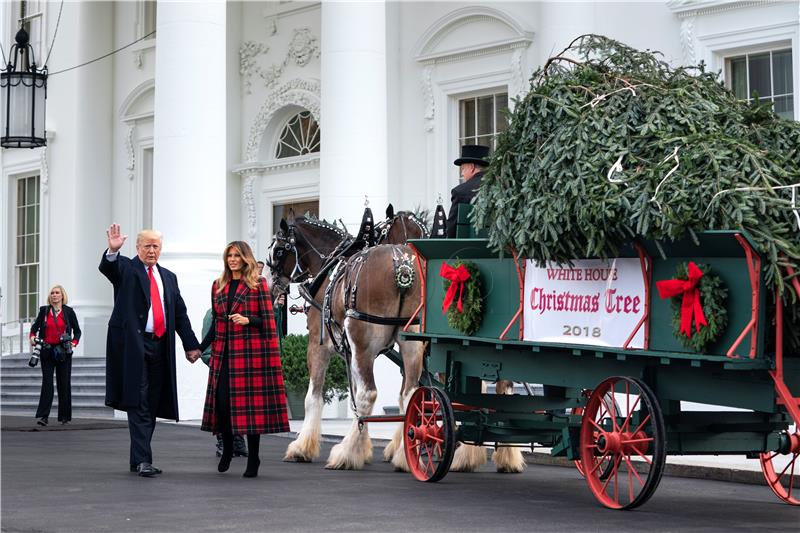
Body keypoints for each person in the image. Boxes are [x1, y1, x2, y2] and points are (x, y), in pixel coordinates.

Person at [99, 224, 201, 477]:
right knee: (139, 400)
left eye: (156, 246)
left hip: (160, 344)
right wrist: (112, 251)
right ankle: (144, 460)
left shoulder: (168, 276)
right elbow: (109, 268)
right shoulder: (126, 268)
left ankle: (138, 458)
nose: (152, 250)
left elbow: (179, 313)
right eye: (147, 246)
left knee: (152, 401)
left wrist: (191, 345)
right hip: (134, 345)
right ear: (138, 247)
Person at [193, 240, 289, 478]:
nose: (233, 259)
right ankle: (227, 448)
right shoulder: (218, 286)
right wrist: (198, 348)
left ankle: (254, 457)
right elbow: (216, 324)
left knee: (250, 410)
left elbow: (268, 322)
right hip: (224, 355)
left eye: (237, 255)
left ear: (245, 258)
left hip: (249, 356)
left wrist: (248, 320)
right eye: (229, 256)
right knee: (223, 406)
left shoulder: (258, 285)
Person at [200, 307, 248, 459]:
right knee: (223, 406)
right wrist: (214, 362)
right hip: (222, 366)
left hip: (239, 367)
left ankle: (238, 440)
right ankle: (223, 441)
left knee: (240, 405)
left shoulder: (243, 313)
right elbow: (207, 347)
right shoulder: (212, 313)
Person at [29, 285, 82, 426]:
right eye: (52, 293)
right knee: (47, 383)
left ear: (62, 295)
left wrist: (74, 343)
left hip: (63, 352)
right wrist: (33, 337)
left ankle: (64, 417)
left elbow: (77, 331)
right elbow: (34, 329)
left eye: (57, 293)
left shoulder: (69, 312)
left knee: (64, 383)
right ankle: (43, 416)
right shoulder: (44, 311)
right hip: (46, 351)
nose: (54, 295)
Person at [446, 144, 490, 238]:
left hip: (469, 248)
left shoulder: (460, 192)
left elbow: (452, 229)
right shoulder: (502, 186)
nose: (462, 174)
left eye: (463, 169)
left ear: (472, 167)